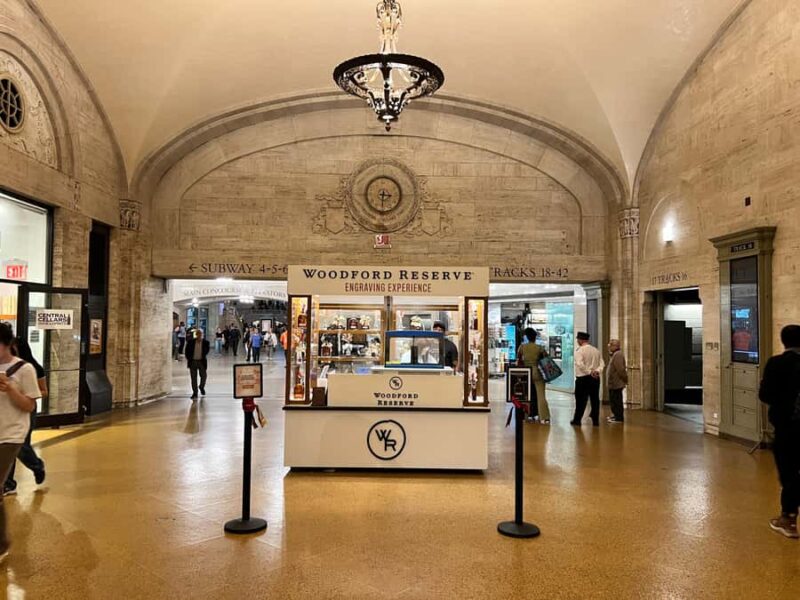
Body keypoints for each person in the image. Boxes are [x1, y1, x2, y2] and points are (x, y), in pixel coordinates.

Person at [0, 322, 41, 562]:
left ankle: (1, 544)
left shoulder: (25, 369)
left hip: (12, 434)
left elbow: (29, 405)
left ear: (6, 344)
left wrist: (10, 389)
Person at [759, 324, 800, 539]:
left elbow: (765, 395)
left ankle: (788, 519)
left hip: (787, 426)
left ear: (783, 341)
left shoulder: (776, 363)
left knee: (789, 471)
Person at [4, 336, 47, 496]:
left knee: (21, 446)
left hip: (26, 409)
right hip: (9, 409)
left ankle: (37, 466)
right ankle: (8, 483)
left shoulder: (32, 368)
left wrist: (25, 392)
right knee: (8, 446)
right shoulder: (7, 366)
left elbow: (44, 391)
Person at [517, 328, 550, 425]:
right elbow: (546, 359)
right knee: (541, 396)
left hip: (526, 372)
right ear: (535, 337)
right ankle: (544, 417)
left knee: (526, 395)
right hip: (537, 372)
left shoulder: (522, 347)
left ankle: (526, 415)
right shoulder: (540, 348)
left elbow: (519, 360)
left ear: (527, 337)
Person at [571, 331, 604, 427]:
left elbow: (580, 364)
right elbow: (602, 363)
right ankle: (595, 420)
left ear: (580, 340)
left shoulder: (579, 351)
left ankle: (577, 420)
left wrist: (589, 372)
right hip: (595, 378)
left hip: (583, 378)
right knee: (595, 399)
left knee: (581, 400)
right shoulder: (596, 350)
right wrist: (597, 371)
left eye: (578, 339)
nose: (577, 341)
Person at [606, 339, 628, 424]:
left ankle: (619, 417)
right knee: (613, 400)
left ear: (615, 346)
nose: (609, 347)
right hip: (613, 383)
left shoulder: (618, 355)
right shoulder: (614, 354)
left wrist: (625, 379)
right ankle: (615, 415)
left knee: (617, 401)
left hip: (616, 383)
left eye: (610, 346)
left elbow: (620, 370)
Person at [185, 329, 210, 401]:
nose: (199, 335)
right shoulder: (191, 342)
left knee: (204, 376)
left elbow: (206, 351)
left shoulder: (206, 342)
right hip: (193, 362)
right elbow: (187, 351)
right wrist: (189, 358)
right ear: (196, 335)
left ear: (202, 335)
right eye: (198, 334)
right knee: (193, 378)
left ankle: (201, 387)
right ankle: (195, 393)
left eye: (201, 334)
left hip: (201, 362)